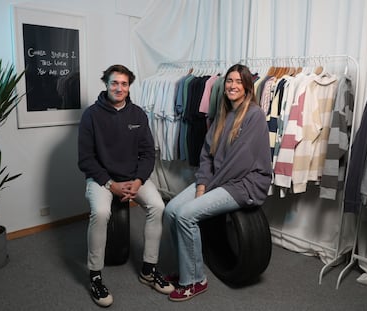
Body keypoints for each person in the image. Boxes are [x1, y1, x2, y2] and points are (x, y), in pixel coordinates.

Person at [164, 64, 272, 302]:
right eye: (229, 81)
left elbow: (239, 163)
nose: (232, 85)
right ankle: (186, 267)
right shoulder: (223, 114)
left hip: (244, 184)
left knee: (186, 215)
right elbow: (206, 154)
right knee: (171, 210)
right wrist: (202, 184)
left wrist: (207, 187)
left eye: (238, 81)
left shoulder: (254, 115)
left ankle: (194, 280)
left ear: (247, 87)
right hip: (216, 180)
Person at [78, 64, 174, 307]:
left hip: (134, 178)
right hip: (102, 179)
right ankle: (95, 276)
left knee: (158, 206)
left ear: (129, 86)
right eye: (114, 83)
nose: (119, 88)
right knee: (100, 213)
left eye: (123, 83)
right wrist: (111, 185)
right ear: (106, 84)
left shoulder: (138, 115)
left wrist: (139, 180)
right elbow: (86, 160)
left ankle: (148, 270)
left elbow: (148, 154)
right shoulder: (91, 115)